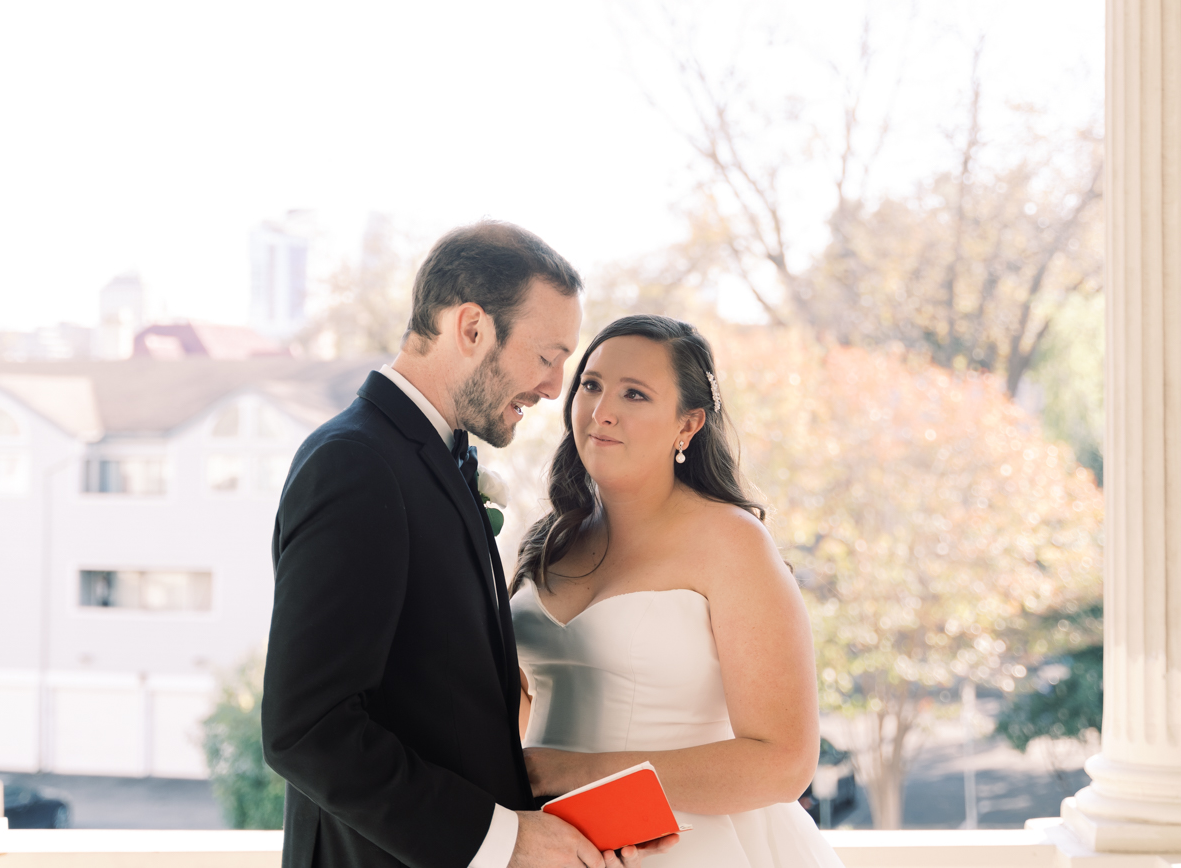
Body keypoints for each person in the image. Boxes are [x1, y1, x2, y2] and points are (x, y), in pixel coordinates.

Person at [262, 223, 674, 868]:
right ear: (473, 328)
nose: (554, 388)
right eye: (546, 356)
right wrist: (504, 843)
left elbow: (445, 710)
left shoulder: (433, 460)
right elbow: (308, 731)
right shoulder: (355, 464)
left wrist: (556, 826)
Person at [512, 314, 846, 868]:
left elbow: (785, 761)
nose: (602, 410)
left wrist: (570, 772)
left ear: (687, 425)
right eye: (591, 385)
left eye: (635, 394)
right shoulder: (548, 541)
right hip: (556, 847)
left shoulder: (732, 542)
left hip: (692, 845)